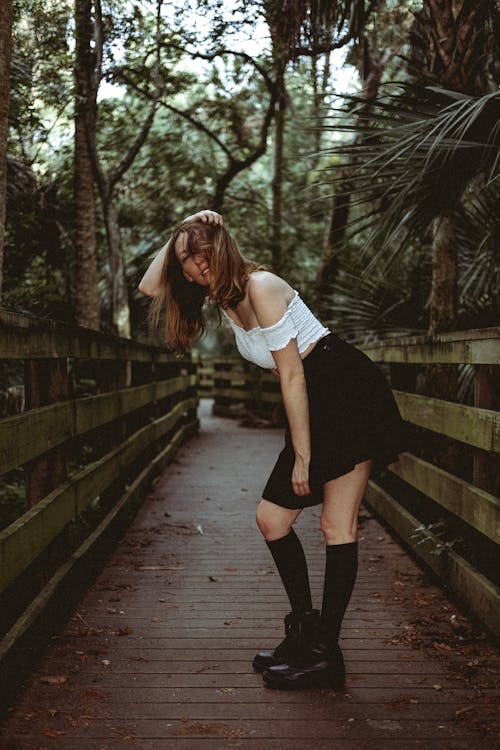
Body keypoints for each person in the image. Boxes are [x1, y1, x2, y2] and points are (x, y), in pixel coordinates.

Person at [139, 209, 408, 690]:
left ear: (219, 249)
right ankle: (307, 633)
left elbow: (292, 374)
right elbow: (149, 287)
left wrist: (303, 455)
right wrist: (181, 228)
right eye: (185, 263)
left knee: (335, 524)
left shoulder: (260, 286)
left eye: (198, 257)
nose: (190, 270)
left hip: (345, 390)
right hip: (316, 397)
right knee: (273, 519)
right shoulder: (222, 296)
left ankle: (325, 654)